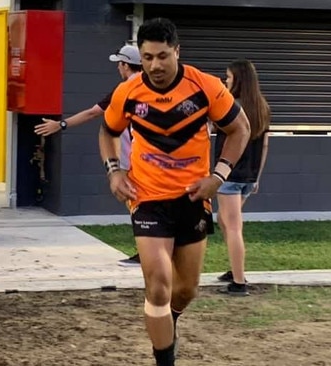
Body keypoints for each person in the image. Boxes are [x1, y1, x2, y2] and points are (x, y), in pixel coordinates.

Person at [99, 18, 250, 366]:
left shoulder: (206, 87)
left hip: (193, 199)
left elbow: (240, 129)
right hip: (147, 199)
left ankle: (167, 324)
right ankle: (164, 357)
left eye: (163, 56)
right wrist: (114, 171)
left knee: (185, 290)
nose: (155, 65)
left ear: (177, 52)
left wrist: (218, 176)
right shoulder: (129, 91)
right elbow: (107, 132)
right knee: (159, 284)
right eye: (148, 57)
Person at [34, 43, 143, 267]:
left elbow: (93, 112)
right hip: (145, 155)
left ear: (125, 65)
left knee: (137, 203)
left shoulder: (125, 89)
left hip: (133, 157)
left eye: (119, 64)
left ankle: (145, 252)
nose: (118, 69)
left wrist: (60, 124)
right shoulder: (149, 86)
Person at [215, 59, 271, 296]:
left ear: (237, 79)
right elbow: (265, 144)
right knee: (225, 222)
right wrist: (256, 178)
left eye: (228, 77)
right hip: (247, 177)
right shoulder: (262, 107)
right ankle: (234, 269)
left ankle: (239, 282)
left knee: (233, 226)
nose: (225, 81)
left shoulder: (231, 107)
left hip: (229, 175)